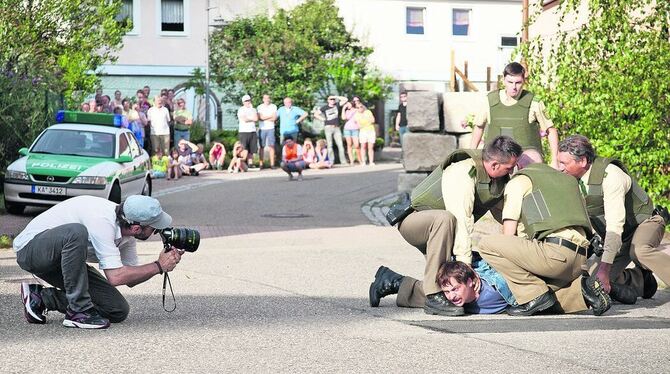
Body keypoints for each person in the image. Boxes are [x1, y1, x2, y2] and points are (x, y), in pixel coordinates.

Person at [369, 136, 522, 316]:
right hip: (416, 222)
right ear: (495, 165)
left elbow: (507, 216)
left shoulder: (496, 180)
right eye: (509, 168)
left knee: (458, 294)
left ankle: (395, 282)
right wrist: (465, 268)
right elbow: (461, 220)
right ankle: (434, 295)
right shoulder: (463, 172)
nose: (512, 171)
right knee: (445, 220)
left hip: (445, 232)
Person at [15, 195, 182, 329]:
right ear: (137, 228)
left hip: (63, 263)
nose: (156, 232)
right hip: (32, 251)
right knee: (76, 232)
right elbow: (116, 277)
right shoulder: (102, 219)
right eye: (154, 228)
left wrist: (162, 265)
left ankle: (41, 298)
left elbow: (129, 278)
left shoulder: (128, 235)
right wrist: (158, 265)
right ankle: (78, 312)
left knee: (117, 309)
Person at [477, 157, 611, 316]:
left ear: (518, 166)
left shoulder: (519, 181)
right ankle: (580, 291)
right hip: (580, 261)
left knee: (487, 244)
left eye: (509, 169)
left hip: (555, 257)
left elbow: (509, 235)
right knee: (546, 295)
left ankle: (534, 296)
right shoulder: (569, 181)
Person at [557, 134, 668, 303]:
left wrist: (604, 268)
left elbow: (615, 227)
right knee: (592, 286)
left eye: (564, 163)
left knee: (639, 250)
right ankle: (641, 280)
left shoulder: (611, 176)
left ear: (583, 161)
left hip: (644, 224)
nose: (560, 168)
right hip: (620, 238)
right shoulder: (572, 180)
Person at [469, 62, 559, 169]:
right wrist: (471, 155)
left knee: (531, 159)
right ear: (503, 80)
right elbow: (479, 127)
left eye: (518, 82)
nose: (514, 87)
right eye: (510, 82)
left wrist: (554, 160)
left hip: (524, 156)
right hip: (496, 156)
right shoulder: (489, 100)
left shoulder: (534, 102)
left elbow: (551, 130)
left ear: (524, 81)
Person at [370, 260, 516, 315]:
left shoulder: (495, 290)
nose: (452, 295)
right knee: (435, 298)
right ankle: (390, 280)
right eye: (447, 291)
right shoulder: (455, 296)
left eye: (455, 289)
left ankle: (392, 280)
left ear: (471, 282)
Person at [314, 95, 348, 165]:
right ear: (328, 100)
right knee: (329, 145)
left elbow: (345, 99)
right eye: (331, 99)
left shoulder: (337, 105)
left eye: (333, 99)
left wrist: (336, 96)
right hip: (328, 127)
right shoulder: (325, 108)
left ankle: (343, 162)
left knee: (340, 145)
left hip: (336, 127)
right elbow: (316, 114)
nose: (332, 101)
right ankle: (331, 161)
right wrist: (323, 119)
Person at [237, 94, 259, 168]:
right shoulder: (241, 109)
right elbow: (245, 120)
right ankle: (242, 163)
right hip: (243, 131)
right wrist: (251, 118)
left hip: (252, 130)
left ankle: (250, 163)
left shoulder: (253, 109)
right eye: (246, 101)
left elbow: (256, 119)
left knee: (251, 149)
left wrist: (251, 116)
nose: (248, 102)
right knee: (244, 148)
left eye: (249, 100)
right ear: (243, 102)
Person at [257, 94, 278, 169]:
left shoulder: (273, 106)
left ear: (270, 99)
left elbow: (274, 118)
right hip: (262, 128)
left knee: (271, 146)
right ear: (263, 99)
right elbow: (260, 117)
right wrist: (269, 117)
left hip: (271, 128)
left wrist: (265, 118)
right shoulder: (260, 107)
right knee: (261, 146)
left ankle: (272, 164)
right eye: (265, 98)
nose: (267, 99)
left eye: (268, 98)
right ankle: (261, 164)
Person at [341, 97, 362, 166]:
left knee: (357, 145)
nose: (347, 105)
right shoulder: (347, 111)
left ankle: (360, 160)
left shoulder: (356, 110)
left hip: (355, 129)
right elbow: (343, 118)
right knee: (349, 145)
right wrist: (343, 109)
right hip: (347, 129)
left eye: (348, 104)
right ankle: (351, 161)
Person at [355, 101, 376, 166]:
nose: (360, 108)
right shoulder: (356, 115)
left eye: (361, 107)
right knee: (363, 146)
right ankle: (363, 161)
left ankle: (371, 162)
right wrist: (367, 122)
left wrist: (364, 123)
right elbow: (359, 126)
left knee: (370, 147)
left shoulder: (368, 112)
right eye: (358, 107)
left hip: (370, 131)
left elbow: (373, 120)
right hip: (363, 131)